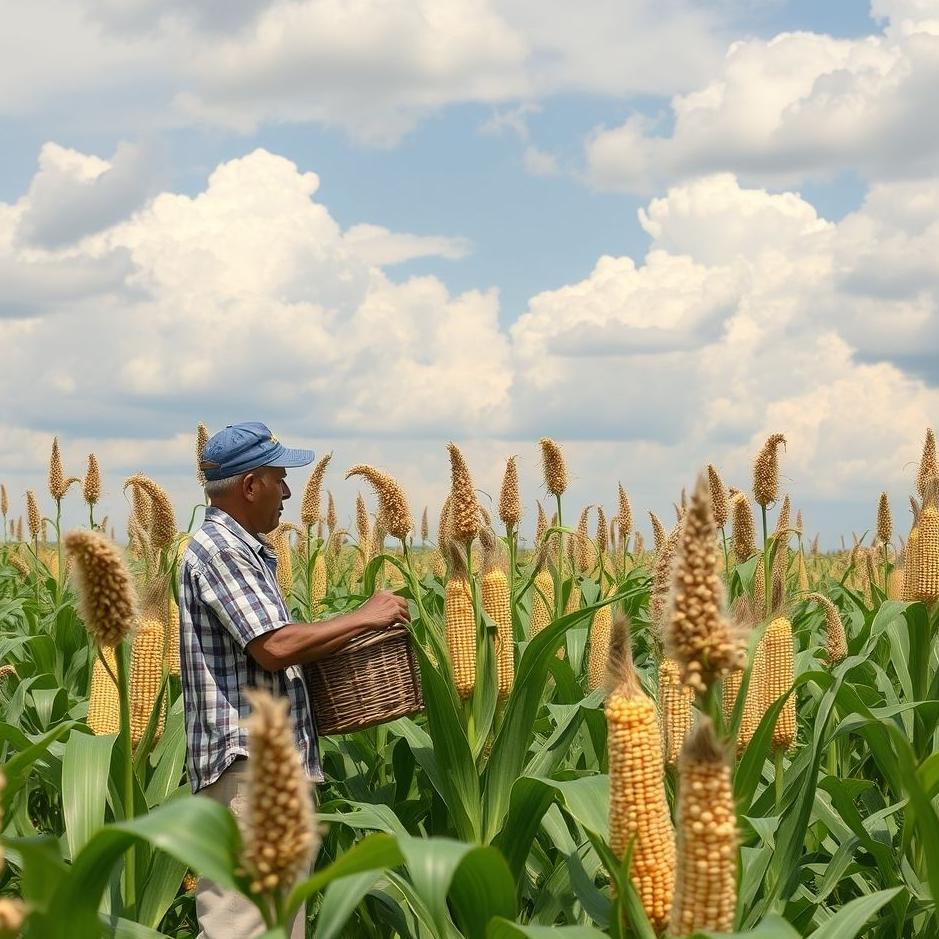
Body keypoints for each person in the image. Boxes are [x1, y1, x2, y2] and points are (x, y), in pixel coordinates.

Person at [179, 421, 410, 938]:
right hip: (250, 774)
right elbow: (274, 647)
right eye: (279, 477)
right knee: (243, 930)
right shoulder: (221, 549)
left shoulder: (245, 549)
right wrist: (365, 616)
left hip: (265, 774)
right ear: (250, 485)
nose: (287, 491)